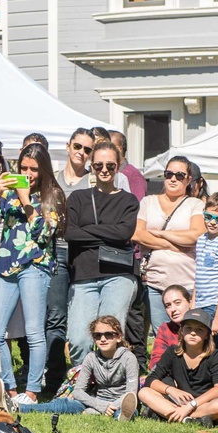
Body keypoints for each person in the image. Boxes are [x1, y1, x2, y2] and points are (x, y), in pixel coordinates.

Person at [0, 144, 64, 404]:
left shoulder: (51, 195)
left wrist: (27, 200)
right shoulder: (9, 194)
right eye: (23, 168)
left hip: (35, 266)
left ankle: (31, 392)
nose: (27, 174)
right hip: (8, 265)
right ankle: (9, 389)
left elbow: (45, 233)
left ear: (43, 170)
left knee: (33, 332)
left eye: (33, 169)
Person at [64, 140, 139, 364]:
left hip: (119, 274)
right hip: (84, 275)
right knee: (78, 339)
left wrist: (87, 231)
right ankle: (84, 385)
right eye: (98, 166)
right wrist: (110, 233)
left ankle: (108, 387)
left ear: (118, 166)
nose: (104, 170)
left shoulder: (129, 200)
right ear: (91, 166)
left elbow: (124, 232)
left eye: (110, 165)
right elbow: (69, 233)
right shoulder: (78, 198)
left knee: (109, 338)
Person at [1, 316, 139, 421]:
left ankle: (120, 416)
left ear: (119, 337)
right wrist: (100, 406)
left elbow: (131, 395)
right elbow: (78, 391)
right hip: (96, 402)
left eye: (109, 334)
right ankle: (18, 407)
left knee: (130, 410)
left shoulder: (128, 358)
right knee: (63, 403)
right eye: (98, 335)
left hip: (121, 403)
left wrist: (103, 409)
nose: (103, 339)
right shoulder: (91, 358)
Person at [132, 156, 205, 332]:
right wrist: (172, 245)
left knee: (189, 333)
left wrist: (160, 233)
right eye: (169, 174)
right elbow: (137, 234)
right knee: (162, 333)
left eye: (180, 175)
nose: (173, 179)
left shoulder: (195, 204)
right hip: (155, 282)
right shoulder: (148, 202)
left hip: (186, 282)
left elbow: (196, 235)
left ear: (188, 180)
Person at [139, 309, 218, 427]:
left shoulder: (215, 355)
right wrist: (171, 390)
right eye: (188, 328)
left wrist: (191, 405)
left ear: (207, 335)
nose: (193, 333)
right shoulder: (172, 352)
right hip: (179, 402)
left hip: (203, 404)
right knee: (144, 392)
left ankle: (165, 414)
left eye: (199, 329)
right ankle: (190, 420)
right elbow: (151, 379)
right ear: (182, 331)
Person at [149, 285, 218, 383]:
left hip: (210, 383)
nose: (173, 309)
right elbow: (156, 362)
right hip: (177, 383)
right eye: (168, 305)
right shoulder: (165, 329)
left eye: (177, 303)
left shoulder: (212, 325)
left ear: (190, 302)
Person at [190, 192, 218, 328]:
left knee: (210, 344)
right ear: (203, 213)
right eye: (208, 217)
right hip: (200, 302)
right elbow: (199, 274)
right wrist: (193, 301)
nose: (213, 222)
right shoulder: (201, 239)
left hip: (215, 304)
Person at [110, 130, 147, 201]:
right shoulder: (107, 173)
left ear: (119, 149)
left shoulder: (133, 175)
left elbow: (138, 204)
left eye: (108, 147)